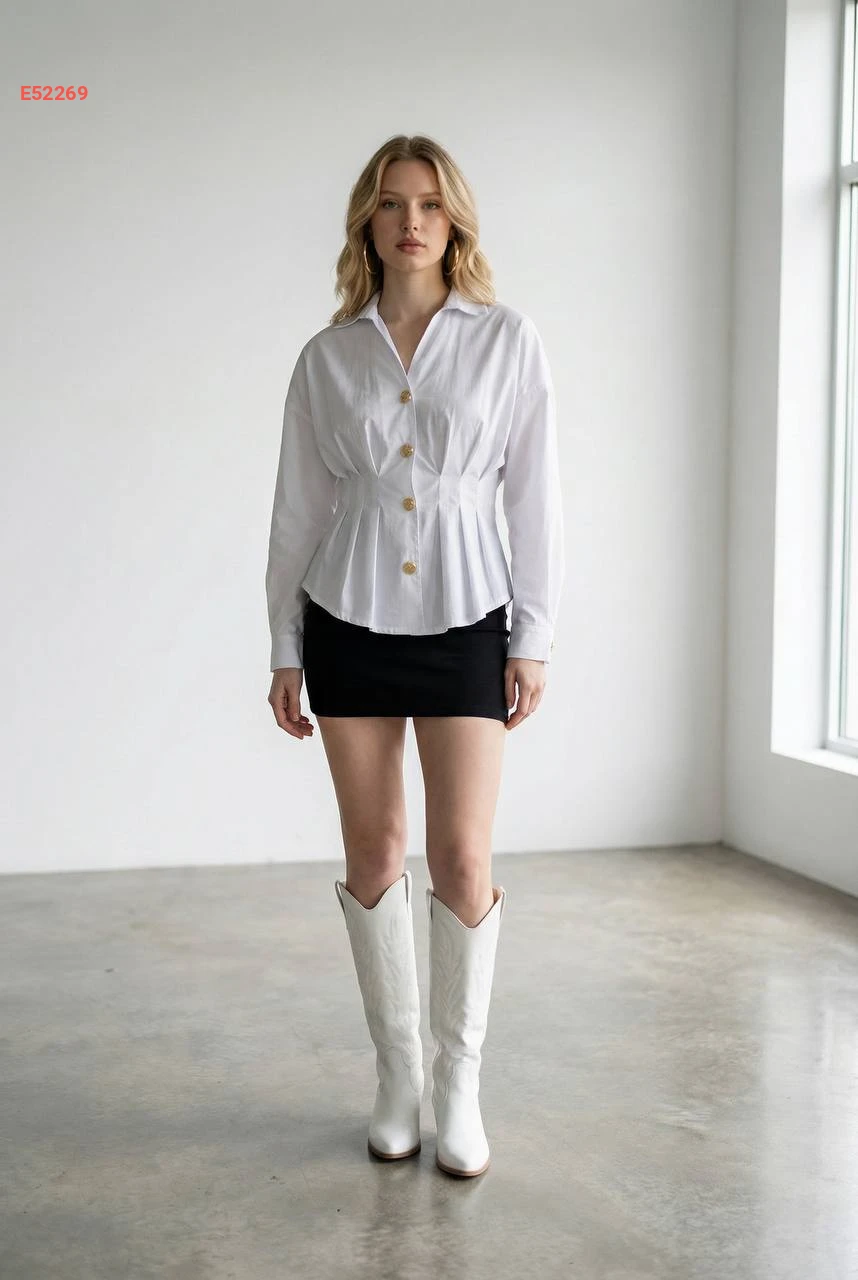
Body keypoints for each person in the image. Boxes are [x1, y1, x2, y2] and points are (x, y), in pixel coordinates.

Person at [265, 134, 565, 1177]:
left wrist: (533, 634)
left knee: (463, 855)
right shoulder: (327, 357)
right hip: (345, 614)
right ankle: (398, 1078)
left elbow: (536, 496)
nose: (411, 222)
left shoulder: (507, 339)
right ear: (368, 220)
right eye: (392, 204)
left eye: (430, 204)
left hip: (468, 613)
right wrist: (284, 643)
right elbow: (297, 509)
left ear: (455, 220)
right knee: (374, 849)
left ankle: (458, 1084)